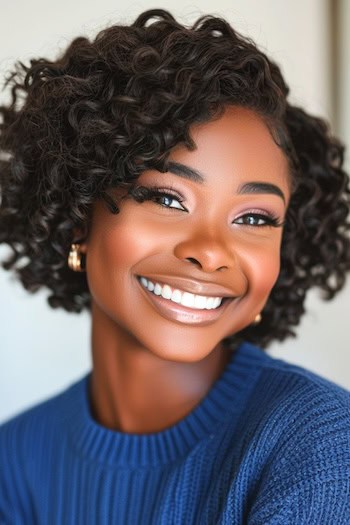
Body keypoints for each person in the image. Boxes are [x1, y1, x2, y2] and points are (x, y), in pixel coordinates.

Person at [0, 7, 349, 524]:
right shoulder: (14, 460)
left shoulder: (317, 443)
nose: (210, 250)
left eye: (254, 216)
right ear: (79, 217)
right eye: (167, 199)